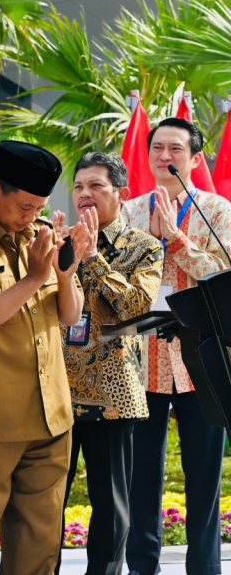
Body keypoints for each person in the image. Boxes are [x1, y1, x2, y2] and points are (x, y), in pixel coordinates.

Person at [0, 139, 91, 575]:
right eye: (24, 206)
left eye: (38, 206)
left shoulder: (40, 236)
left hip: (51, 418)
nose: (31, 216)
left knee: (40, 547)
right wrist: (33, 278)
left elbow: (70, 315)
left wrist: (65, 274)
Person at [123, 117, 231, 575]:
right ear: (148, 157)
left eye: (176, 150)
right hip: (141, 361)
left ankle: (205, 569)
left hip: (200, 362)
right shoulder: (128, 212)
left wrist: (178, 239)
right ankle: (142, 567)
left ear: (195, 159)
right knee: (140, 479)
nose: (165, 158)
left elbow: (223, 272)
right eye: (158, 149)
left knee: (204, 479)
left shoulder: (217, 210)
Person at [56, 152, 162, 575]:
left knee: (110, 503)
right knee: (46, 501)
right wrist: (67, 252)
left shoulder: (144, 247)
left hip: (112, 393)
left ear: (120, 192)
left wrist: (93, 258)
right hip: (56, 391)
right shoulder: (58, 238)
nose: (84, 194)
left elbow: (134, 306)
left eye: (96, 186)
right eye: (79, 186)